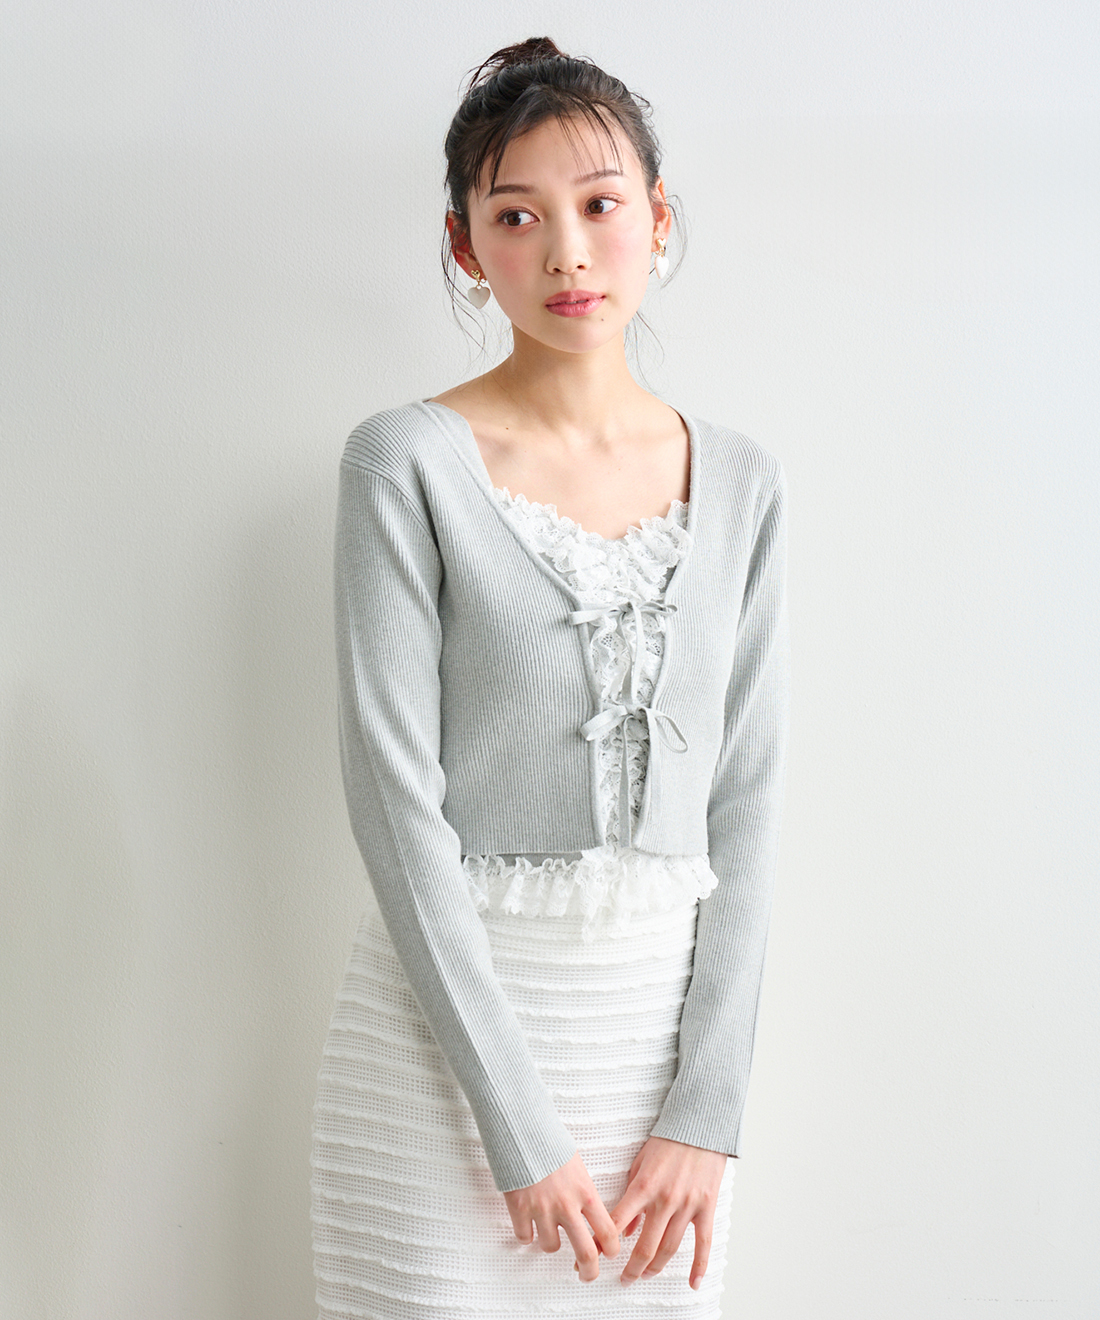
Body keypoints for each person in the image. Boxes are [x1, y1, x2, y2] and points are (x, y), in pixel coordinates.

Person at [310, 35, 791, 1320]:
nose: (567, 252)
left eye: (599, 205)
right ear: (465, 246)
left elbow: (747, 801)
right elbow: (392, 800)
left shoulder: (742, 480)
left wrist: (707, 1114)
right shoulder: (401, 463)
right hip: (438, 1064)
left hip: (655, 1084)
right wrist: (516, 1130)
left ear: (657, 221)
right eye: (516, 216)